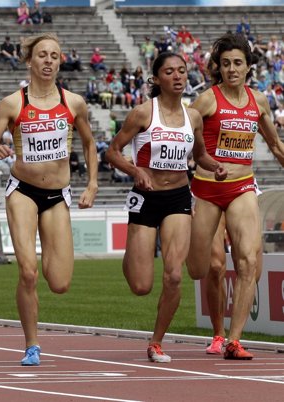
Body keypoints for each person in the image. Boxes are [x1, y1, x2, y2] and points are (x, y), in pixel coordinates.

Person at [0, 33, 98, 366]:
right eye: (42, 55)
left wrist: (91, 183)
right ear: (29, 60)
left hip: (57, 194)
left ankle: (47, 267)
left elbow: (89, 144)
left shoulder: (74, 103)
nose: (49, 61)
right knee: (28, 273)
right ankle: (32, 344)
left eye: (55, 56)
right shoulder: (12, 104)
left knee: (59, 283)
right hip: (22, 191)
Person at [105, 52, 226, 363]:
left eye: (182, 71)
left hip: (178, 198)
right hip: (145, 199)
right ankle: (131, 259)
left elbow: (199, 156)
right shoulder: (143, 114)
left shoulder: (193, 117)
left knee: (174, 275)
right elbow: (113, 152)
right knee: (141, 285)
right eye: (169, 71)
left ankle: (156, 342)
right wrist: (136, 171)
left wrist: (216, 167)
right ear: (156, 79)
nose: (177, 76)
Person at [186, 33, 284, 360]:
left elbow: (274, 145)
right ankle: (218, 330)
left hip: (242, 186)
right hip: (207, 189)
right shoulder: (206, 100)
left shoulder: (259, 102)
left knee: (248, 261)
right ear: (219, 68)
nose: (231, 69)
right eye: (226, 63)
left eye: (237, 63)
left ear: (248, 67)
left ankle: (233, 339)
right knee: (205, 267)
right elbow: (181, 136)